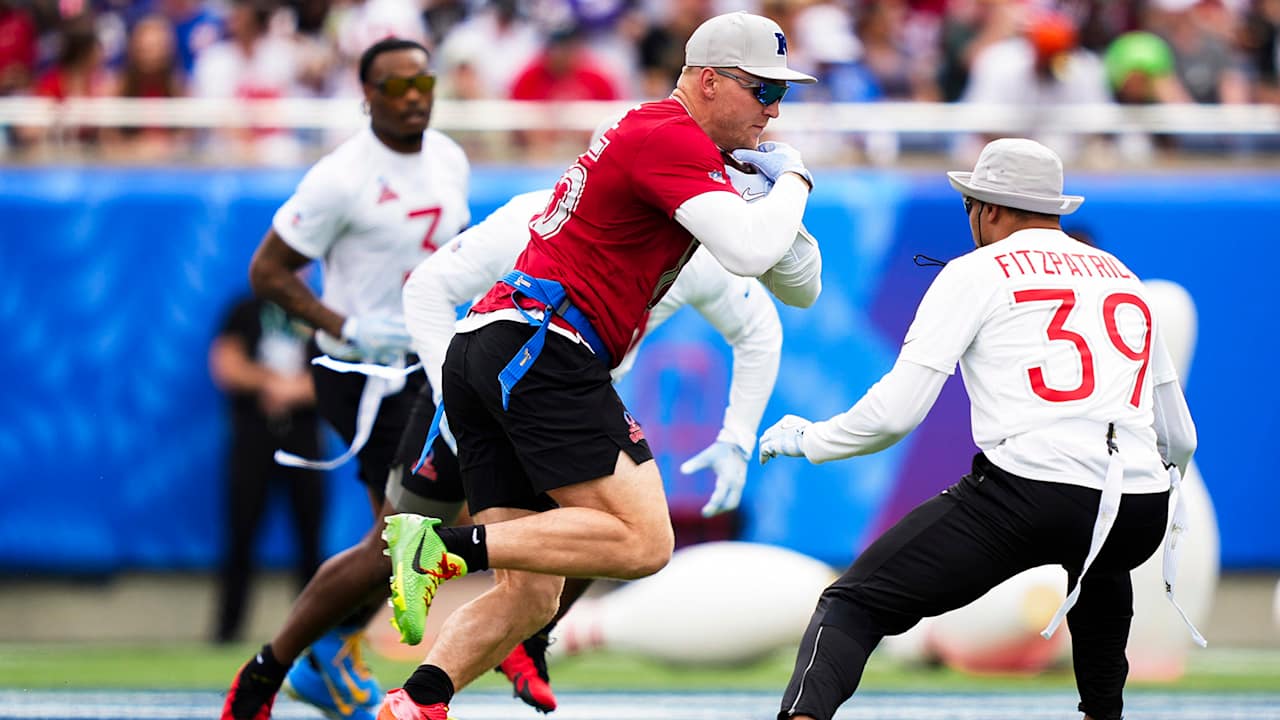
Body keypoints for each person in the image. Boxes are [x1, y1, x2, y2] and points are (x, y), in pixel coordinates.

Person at [376, 11, 817, 720]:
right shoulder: (668, 135)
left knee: (530, 594)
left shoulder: (677, 141)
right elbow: (747, 254)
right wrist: (793, 180)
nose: (774, 109)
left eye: (781, 95)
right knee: (645, 542)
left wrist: (773, 190)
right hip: (539, 344)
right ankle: (437, 549)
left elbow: (800, 285)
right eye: (763, 91)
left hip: (500, 348)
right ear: (707, 82)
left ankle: (416, 701)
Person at [758, 138, 1200, 720]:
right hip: (1141, 507)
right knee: (1101, 555)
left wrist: (810, 440)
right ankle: (1103, 712)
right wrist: (1143, 491)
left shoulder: (976, 272)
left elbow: (895, 414)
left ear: (988, 209)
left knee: (853, 603)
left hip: (1032, 494)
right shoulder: (1123, 276)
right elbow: (1180, 437)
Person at [220, 37, 470, 720]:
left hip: (427, 364)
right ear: (365, 96)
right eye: (393, 86)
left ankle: (326, 653)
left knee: (426, 528)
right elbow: (267, 272)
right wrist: (345, 323)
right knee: (402, 534)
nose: (412, 94)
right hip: (363, 372)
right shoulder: (342, 176)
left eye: (421, 79)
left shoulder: (449, 156)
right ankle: (273, 671)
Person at [209, 294, 324, 645]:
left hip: (303, 440)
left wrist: (295, 391)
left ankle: (311, 634)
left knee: (309, 540)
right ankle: (227, 631)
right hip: (253, 439)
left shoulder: (319, 313)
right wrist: (268, 381)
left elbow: (339, 373)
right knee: (241, 535)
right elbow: (225, 364)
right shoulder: (243, 310)